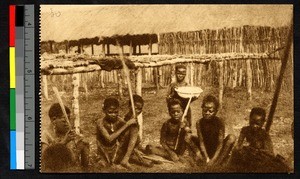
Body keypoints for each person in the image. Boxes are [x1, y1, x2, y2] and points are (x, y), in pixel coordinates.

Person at [231, 107, 290, 172]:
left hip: (260, 158)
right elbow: (239, 144)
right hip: (249, 155)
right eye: (252, 122)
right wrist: (240, 149)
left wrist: (257, 151)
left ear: (262, 123)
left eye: (257, 124)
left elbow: (270, 153)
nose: (254, 125)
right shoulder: (245, 130)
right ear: (249, 119)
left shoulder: (264, 135)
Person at [185, 95, 236, 167]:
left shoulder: (220, 122)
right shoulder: (199, 122)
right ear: (202, 109)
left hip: (217, 150)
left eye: (210, 111)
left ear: (216, 111)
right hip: (205, 149)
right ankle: (200, 159)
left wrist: (213, 160)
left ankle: (218, 162)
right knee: (188, 137)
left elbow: (220, 144)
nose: (207, 113)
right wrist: (206, 158)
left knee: (232, 137)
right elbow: (201, 142)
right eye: (205, 110)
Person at [41, 103, 89, 172]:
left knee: (84, 143)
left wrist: (80, 141)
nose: (68, 123)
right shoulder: (45, 134)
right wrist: (64, 142)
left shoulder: (67, 132)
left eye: (69, 119)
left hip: (71, 167)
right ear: (54, 120)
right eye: (64, 121)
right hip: (55, 169)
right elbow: (45, 157)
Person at [96, 97, 140, 169]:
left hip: (116, 151)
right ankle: (114, 162)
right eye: (110, 112)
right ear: (104, 110)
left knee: (133, 128)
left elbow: (137, 139)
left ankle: (125, 159)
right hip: (104, 153)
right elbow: (109, 139)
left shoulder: (119, 120)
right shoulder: (100, 122)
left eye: (116, 112)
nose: (113, 114)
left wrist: (134, 123)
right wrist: (127, 124)